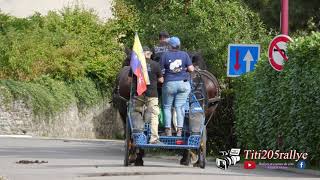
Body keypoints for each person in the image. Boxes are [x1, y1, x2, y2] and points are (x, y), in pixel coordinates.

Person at [160, 36, 195, 136]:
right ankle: (179, 130)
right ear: (179, 45)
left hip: (169, 84)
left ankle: (168, 130)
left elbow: (160, 71)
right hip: (183, 84)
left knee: (167, 107)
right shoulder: (184, 54)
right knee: (179, 107)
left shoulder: (165, 55)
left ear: (169, 45)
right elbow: (191, 69)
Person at [129, 46, 164, 144]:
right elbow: (161, 80)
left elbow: (130, 80)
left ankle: (138, 134)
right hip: (152, 93)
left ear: (141, 54)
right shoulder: (156, 65)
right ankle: (154, 138)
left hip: (139, 93)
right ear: (150, 54)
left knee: (137, 112)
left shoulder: (136, 64)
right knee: (154, 115)